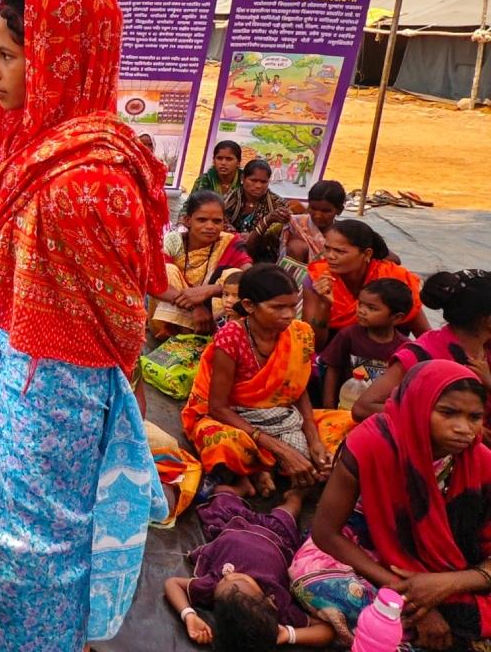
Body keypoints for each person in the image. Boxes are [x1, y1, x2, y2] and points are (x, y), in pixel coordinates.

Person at [0, 0, 170, 650]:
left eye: (6, 56)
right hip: (17, 370)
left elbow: (117, 326)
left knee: (29, 556)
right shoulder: (43, 151)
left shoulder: (90, 179)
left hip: (57, 397)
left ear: (61, 57)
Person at [311, 361, 491, 652]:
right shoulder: (372, 444)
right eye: (447, 413)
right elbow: (325, 533)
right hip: (373, 548)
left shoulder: (480, 463)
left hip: (450, 573)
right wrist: (408, 593)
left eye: (475, 417)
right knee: (327, 584)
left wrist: (445, 584)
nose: (463, 429)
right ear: (419, 405)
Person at [180, 264, 352, 497]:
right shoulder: (231, 337)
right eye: (278, 307)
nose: (289, 315)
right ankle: (267, 468)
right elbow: (218, 408)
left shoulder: (298, 332)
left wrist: (314, 440)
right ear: (250, 306)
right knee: (221, 443)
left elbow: (297, 388)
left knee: (349, 425)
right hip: (237, 418)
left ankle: (262, 470)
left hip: (284, 415)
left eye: (293, 306)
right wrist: (280, 449)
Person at [164, 487, 335, 650]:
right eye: (240, 579)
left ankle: (243, 488)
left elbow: (172, 584)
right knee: (288, 511)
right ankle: (296, 495)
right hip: (275, 534)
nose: (230, 576)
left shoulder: (212, 586)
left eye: (226, 579)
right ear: (268, 600)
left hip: (233, 524)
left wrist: (189, 615)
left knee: (221, 495)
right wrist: (289, 634)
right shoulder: (278, 602)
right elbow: (326, 631)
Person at [354, 270, 491, 421]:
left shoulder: (485, 351)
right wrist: (442, 419)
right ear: (487, 320)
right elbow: (364, 407)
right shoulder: (423, 355)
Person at [304, 219, 428, 350]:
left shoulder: (393, 276)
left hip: (390, 353)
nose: (330, 256)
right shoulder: (318, 277)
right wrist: (324, 306)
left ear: (367, 254)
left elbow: (423, 333)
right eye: (327, 249)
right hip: (338, 353)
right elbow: (314, 345)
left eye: (340, 251)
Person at [150, 190, 253, 338]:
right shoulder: (172, 242)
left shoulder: (230, 242)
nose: (210, 226)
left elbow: (251, 279)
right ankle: (177, 335)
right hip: (170, 321)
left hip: (212, 319)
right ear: (187, 220)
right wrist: (195, 306)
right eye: (202, 220)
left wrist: (212, 290)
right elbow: (152, 282)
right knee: (167, 270)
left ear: (224, 222)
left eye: (217, 221)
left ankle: (221, 334)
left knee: (233, 275)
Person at [320, 278, 412, 408]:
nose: (361, 311)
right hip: (345, 406)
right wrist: (328, 408)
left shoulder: (405, 348)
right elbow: (333, 370)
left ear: (397, 318)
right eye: (360, 304)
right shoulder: (348, 335)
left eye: (371, 308)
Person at [223, 159, 290, 262]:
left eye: (263, 182)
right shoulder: (229, 199)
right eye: (253, 180)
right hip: (230, 249)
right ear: (243, 178)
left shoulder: (277, 204)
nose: (258, 186)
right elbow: (221, 223)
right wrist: (236, 236)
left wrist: (253, 235)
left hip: (264, 255)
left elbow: (277, 234)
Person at [280, 179, 345, 265]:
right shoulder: (297, 224)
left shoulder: (344, 233)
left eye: (325, 211)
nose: (318, 215)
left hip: (334, 274)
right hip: (302, 275)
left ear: (339, 210)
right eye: (313, 208)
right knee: (296, 246)